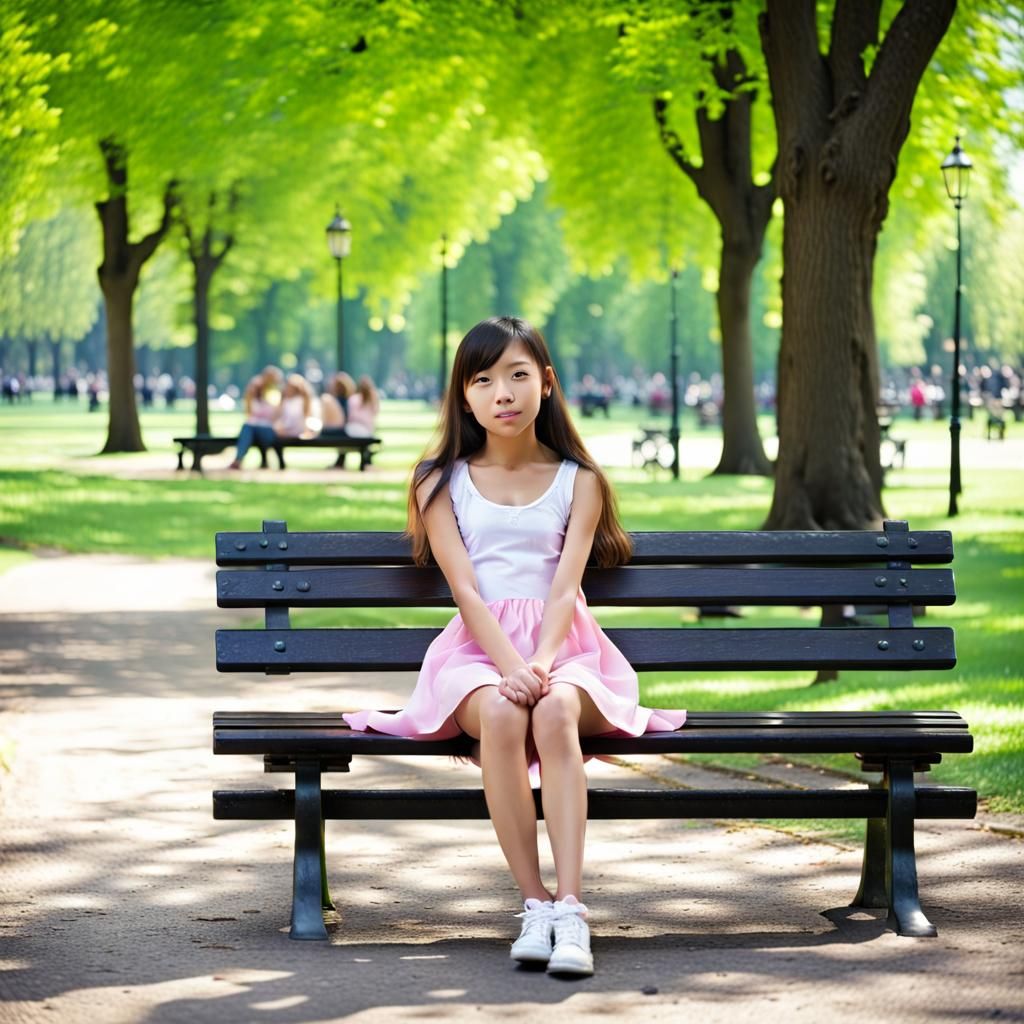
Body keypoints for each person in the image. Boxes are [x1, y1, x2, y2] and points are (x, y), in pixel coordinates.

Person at [342, 316, 685, 977]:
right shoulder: (439, 481)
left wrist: (543, 664)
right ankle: (533, 904)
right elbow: (465, 589)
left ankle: (572, 910)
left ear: (547, 384)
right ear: (464, 396)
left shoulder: (577, 479)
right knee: (502, 712)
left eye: (519, 375)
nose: (504, 392)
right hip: (477, 651)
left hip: (567, 649)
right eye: (484, 379)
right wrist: (508, 666)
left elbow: (565, 588)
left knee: (554, 710)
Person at [228, 365, 283, 469]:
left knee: (251, 428)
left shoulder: (275, 393)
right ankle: (239, 459)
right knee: (248, 427)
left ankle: (239, 459)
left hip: (268, 428)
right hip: (254, 427)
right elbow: (249, 413)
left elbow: (275, 414)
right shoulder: (254, 398)